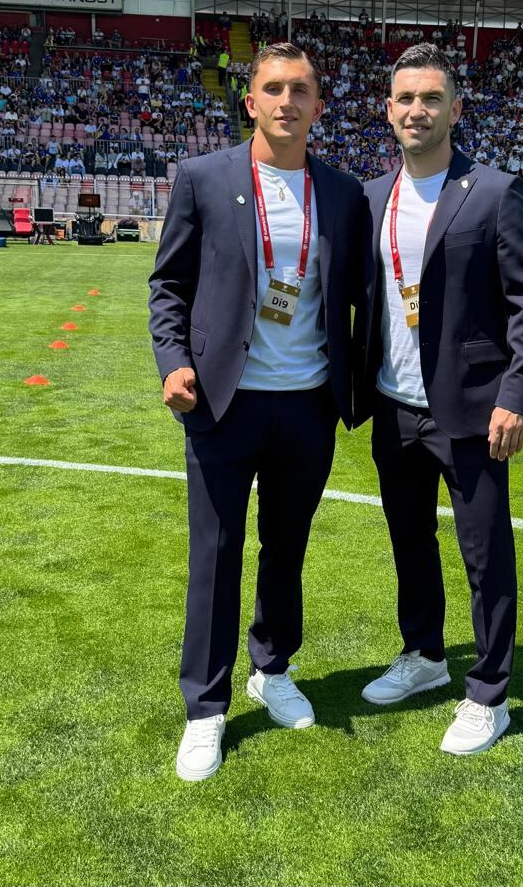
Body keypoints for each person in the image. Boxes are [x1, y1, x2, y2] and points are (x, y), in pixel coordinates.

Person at [148, 42, 363, 783]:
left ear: (318, 105)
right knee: (214, 555)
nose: (286, 102)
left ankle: (272, 669)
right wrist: (174, 362)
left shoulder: (343, 193)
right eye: (272, 88)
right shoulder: (203, 179)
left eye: (300, 90)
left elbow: (358, 296)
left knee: (286, 548)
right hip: (222, 402)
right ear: (250, 102)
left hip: (307, 404)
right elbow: (167, 285)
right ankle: (205, 709)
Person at [354, 43, 523, 756]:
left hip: (471, 410)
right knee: (410, 542)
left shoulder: (495, 192)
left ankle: (489, 693)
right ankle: (425, 656)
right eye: (405, 99)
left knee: (484, 552)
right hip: (393, 405)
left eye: (431, 99)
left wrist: (517, 394)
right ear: (389, 110)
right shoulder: (371, 196)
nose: (417, 111)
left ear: (454, 109)